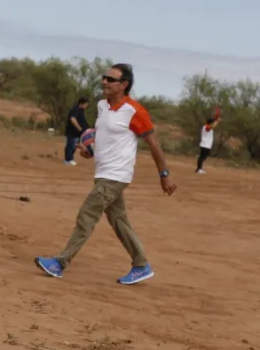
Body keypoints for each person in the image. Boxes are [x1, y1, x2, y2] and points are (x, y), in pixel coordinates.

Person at [35, 64, 177, 285]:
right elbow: (103, 137)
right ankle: (141, 265)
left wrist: (164, 174)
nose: (104, 82)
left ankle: (60, 263)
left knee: (87, 215)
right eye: (104, 78)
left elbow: (153, 143)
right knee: (119, 220)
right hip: (103, 172)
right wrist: (89, 151)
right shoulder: (102, 106)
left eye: (110, 80)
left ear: (124, 85)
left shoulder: (134, 111)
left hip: (116, 175)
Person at [64, 96, 89, 165]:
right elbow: (73, 119)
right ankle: (68, 159)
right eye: (86, 104)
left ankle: (70, 158)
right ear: (82, 103)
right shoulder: (75, 109)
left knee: (74, 146)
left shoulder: (81, 110)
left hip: (78, 133)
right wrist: (80, 129)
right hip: (72, 132)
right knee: (71, 145)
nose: (86, 106)